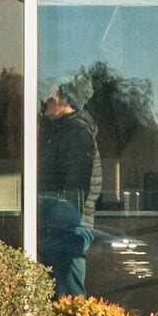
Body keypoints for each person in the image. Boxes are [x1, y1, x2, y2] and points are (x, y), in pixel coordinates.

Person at [36, 91, 100, 297]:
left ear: (65, 102)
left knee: (66, 299)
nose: (46, 103)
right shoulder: (57, 131)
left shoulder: (75, 133)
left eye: (51, 98)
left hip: (65, 230)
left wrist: (54, 218)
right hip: (58, 227)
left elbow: (77, 189)